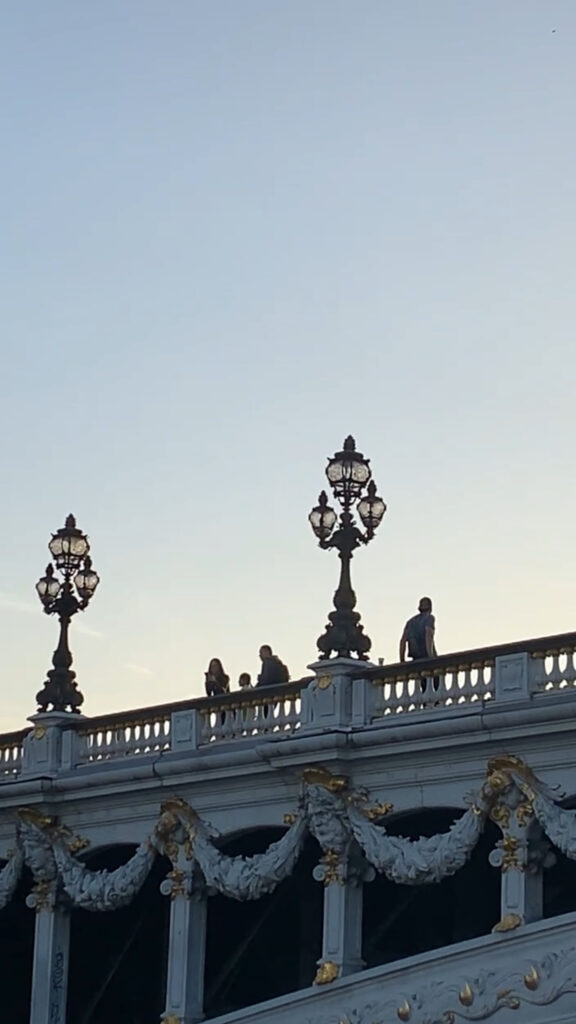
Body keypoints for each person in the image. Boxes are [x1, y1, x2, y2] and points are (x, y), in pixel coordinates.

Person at [399, 598, 437, 663]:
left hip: (415, 658)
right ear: (430, 607)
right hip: (425, 656)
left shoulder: (410, 622)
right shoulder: (430, 618)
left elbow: (403, 641)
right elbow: (428, 635)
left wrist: (402, 660)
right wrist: (431, 656)